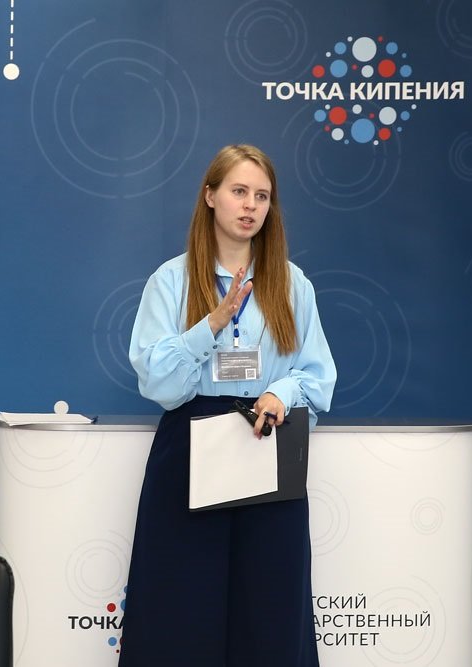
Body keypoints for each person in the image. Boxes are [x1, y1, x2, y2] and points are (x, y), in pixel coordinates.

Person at [120, 144, 337, 666]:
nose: (250, 206)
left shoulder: (293, 283)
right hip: (190, 445)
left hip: (266, 441)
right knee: (180, 610)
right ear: (210, 196)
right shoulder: (170, 281)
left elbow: (318, 377)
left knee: (271, 610)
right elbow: (159, 382)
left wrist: (281, 393)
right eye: (239, 191)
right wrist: (212, 324)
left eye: (262, 196)